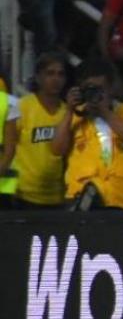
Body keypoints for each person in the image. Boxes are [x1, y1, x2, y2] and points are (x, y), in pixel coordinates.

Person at [51, 59, 123, 210]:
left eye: (100, 89)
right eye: (89, 89)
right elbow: (57, 150)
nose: (94, 94)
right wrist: (69, 111)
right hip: (81, 199)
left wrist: (105, 113)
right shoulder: (73, 117)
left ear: (111, 89)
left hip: (121, 199)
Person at [13, 53, 69, 208]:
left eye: (60, 74)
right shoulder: (23, 107)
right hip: (24, 196)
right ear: (38, 77)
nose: (55, 79)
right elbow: (8, 148)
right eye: (50, 73)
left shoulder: (67, 112)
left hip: (57, 197)